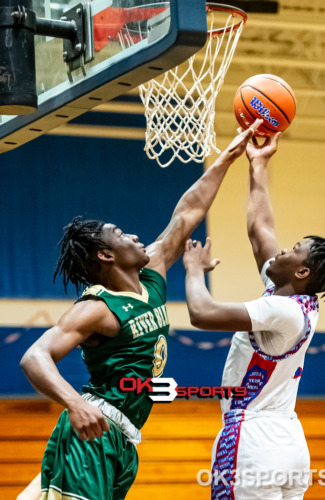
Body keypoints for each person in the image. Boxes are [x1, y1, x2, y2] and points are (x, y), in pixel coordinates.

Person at [17, 119, 264, 500]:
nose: (133, 236)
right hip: (93, 434)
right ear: (106, 254)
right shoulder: (98, 308)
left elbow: (189, 211)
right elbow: (35, 356)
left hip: (125, 439)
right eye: (120, 234)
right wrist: (75, 404)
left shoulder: (151, 275)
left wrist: (229, 156)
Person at [183, 132, 325, 499]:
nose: (283, 249)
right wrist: (258, 165)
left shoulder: (279, 310)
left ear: (301, 272)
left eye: (294, 250)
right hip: (288, 441)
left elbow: (202, 313)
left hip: (253, 439)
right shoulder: (297, 299)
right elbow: (261, 231)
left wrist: (194, 270)